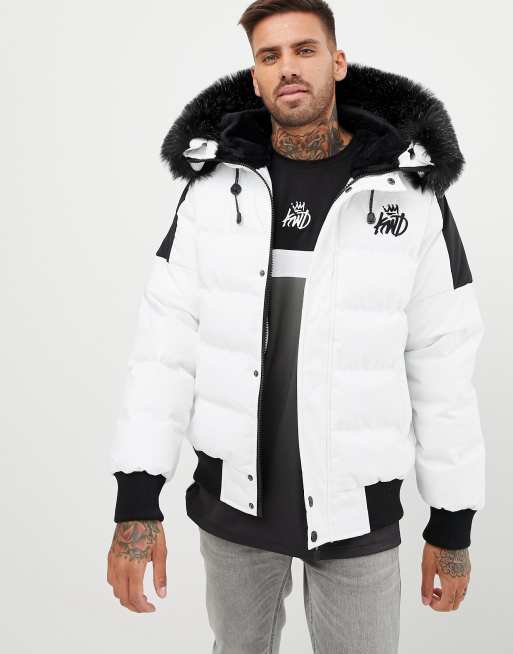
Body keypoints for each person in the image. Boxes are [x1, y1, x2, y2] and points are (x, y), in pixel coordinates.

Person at [106, 1, 486, 651]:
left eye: (304, 50)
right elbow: (163, 348)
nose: (287, 67)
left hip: (356, 511)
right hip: (234, 508)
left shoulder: (408, 194)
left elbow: (442, 360)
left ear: (337, 63)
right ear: (254, 78)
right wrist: (137, 502)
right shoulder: (210, 191)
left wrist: (451, 525)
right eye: (269, 55)